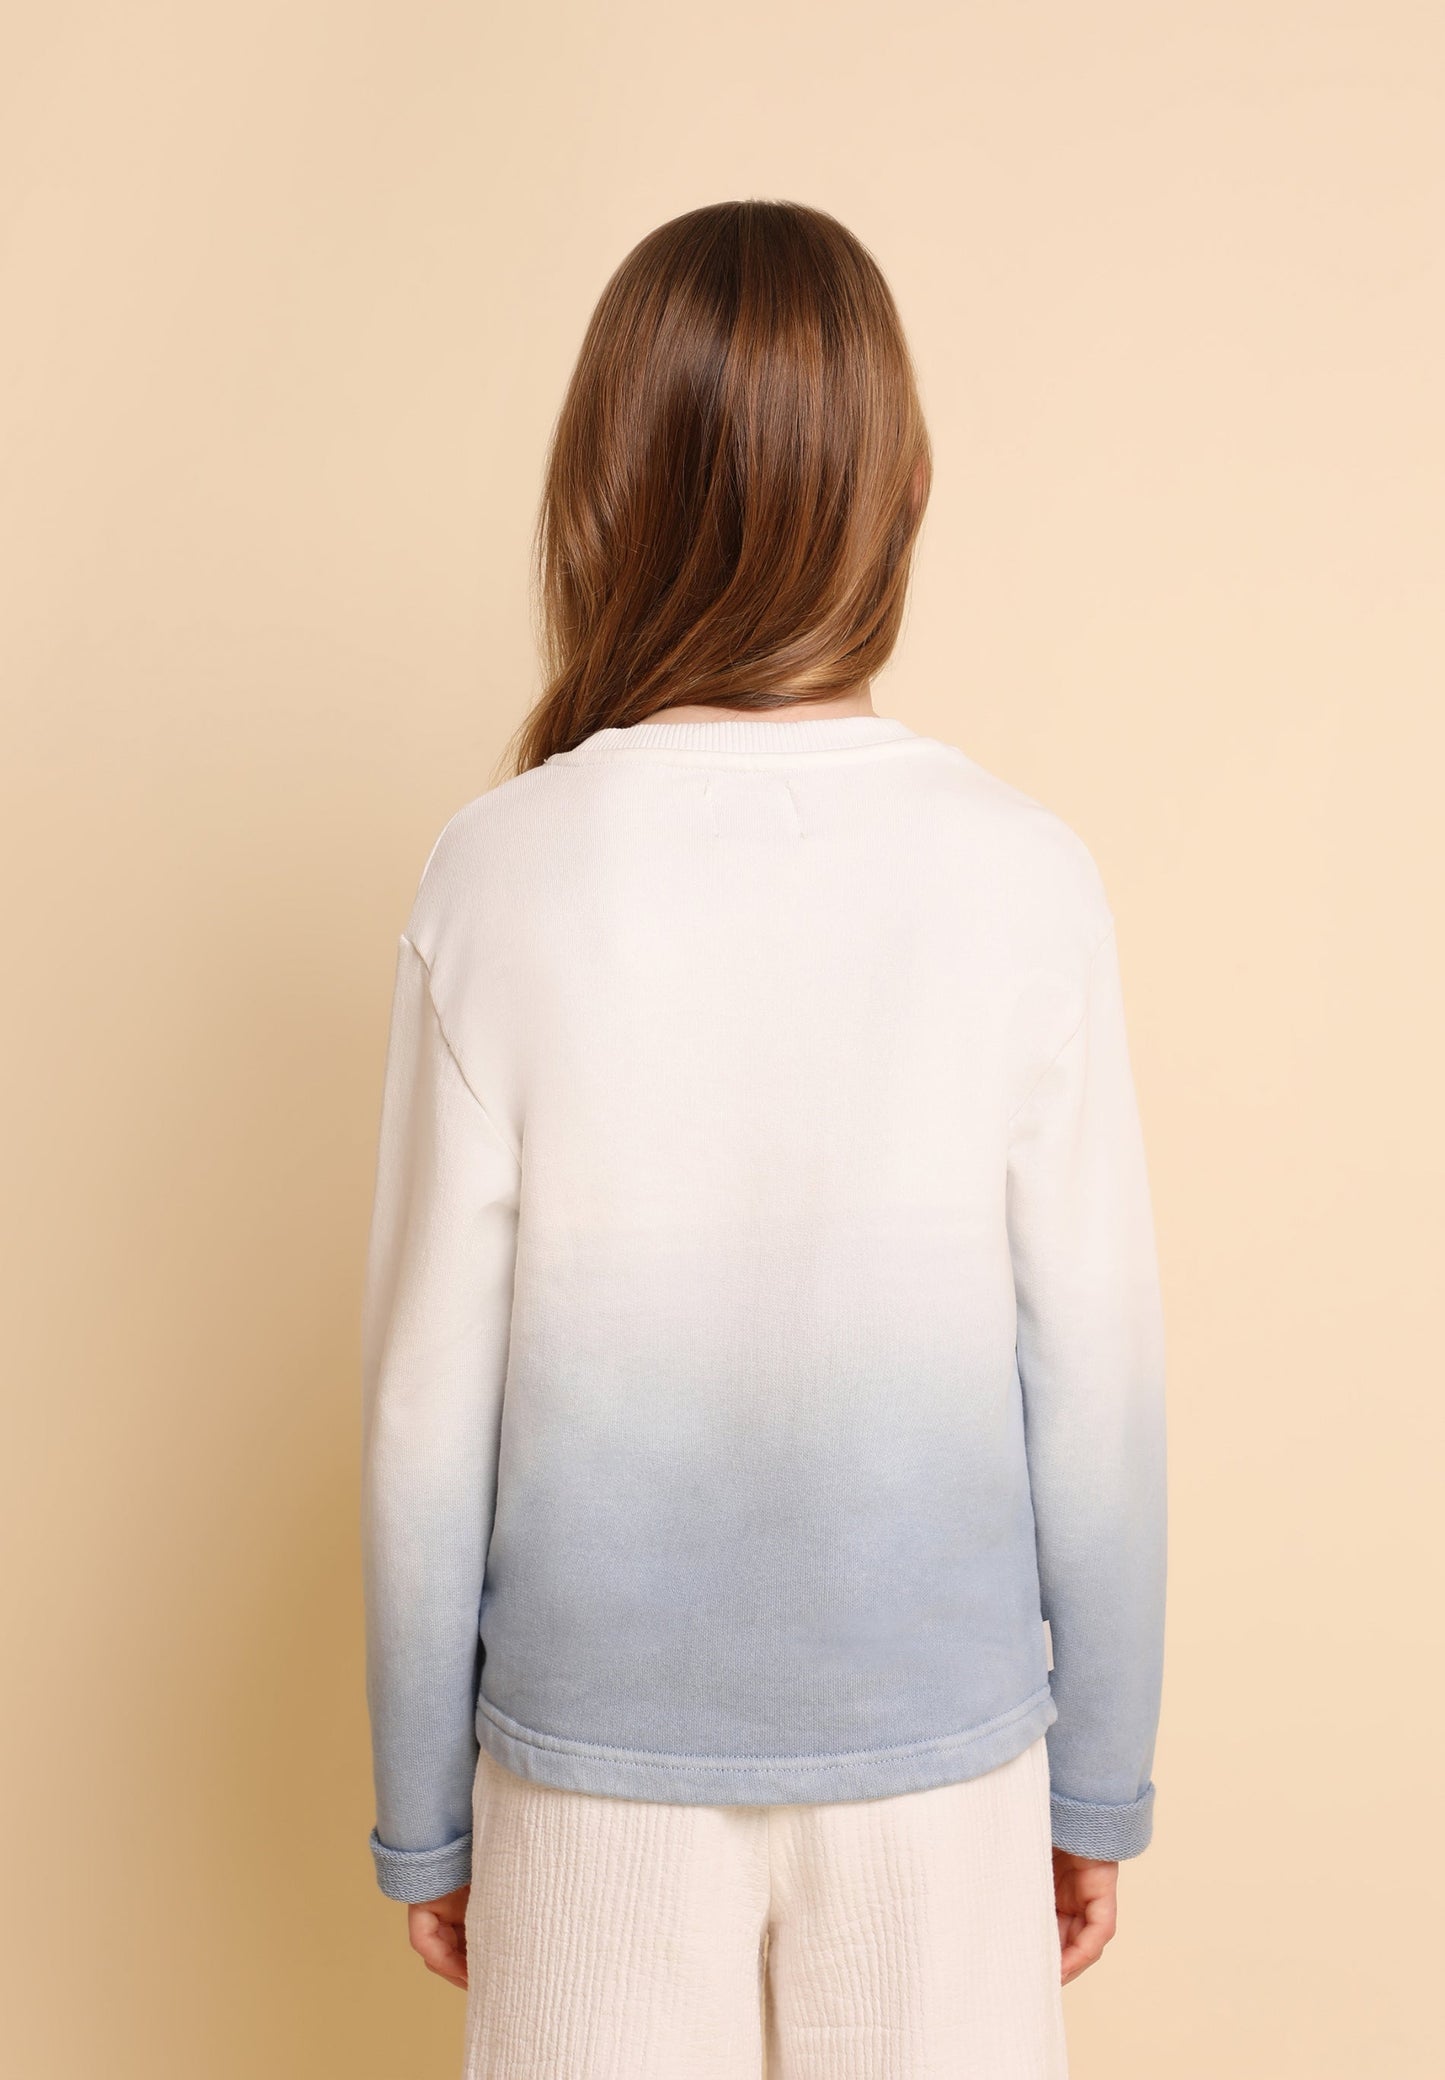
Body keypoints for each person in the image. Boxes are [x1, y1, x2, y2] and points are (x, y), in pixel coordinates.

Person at [358, 198, 1167, 2080]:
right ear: (902, 495)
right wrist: (1100, 1781)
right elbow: (1102, 1380)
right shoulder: (1022, 875)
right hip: (943, 1771)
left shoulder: (499, 871)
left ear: (606, 498)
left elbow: (422, 1413)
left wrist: (424, 1812)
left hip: (589, 1784)